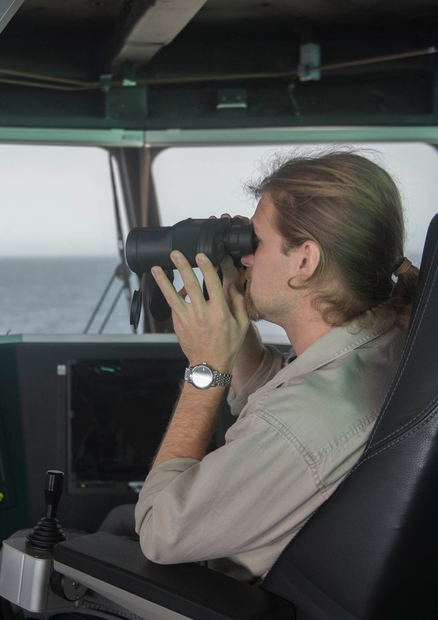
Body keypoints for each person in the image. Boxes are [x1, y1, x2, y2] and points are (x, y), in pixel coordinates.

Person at [133, 149, 419, 583]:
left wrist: (205, 369)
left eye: (256, 242)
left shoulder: (303, 422)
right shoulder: (382, 343)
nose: (245, 257)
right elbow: (277, 391)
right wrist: (231, 303)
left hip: (231, 606)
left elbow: (158, 530)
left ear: (305, 260)